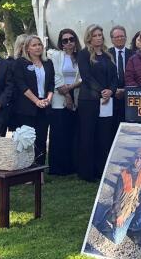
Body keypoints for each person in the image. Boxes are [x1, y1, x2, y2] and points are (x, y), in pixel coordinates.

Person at [77, 24, 118, 182]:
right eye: (95, 35)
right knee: (88, 135)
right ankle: (87, 172)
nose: (98, 37)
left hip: (107, 101)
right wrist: (102, 91)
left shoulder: (108, 55)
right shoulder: (84, 54)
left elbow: (115, 77)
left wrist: (111, 91)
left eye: (100, 34)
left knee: (104, 136)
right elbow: (86, 77)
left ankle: (102, 170)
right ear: (89, 37)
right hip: (89, 100)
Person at [13, 35, 55, 167]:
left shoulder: (48, 63)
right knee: (27, 139)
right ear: (27, 49)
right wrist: (36, 101)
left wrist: (48, 99)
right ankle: (25, 168)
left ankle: (39, 170)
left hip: (44, 105)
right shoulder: (21, 63)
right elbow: (21, 85)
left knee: (41, 139)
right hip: (27, 106)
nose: (38, 47)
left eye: (39, 44)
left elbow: (51, 84)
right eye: (34, 45)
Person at [47, 28, 81, 175]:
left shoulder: (81, 57)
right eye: (65, 40)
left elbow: (83, 76)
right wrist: (66, 94)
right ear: (60, 43)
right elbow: (54, 74)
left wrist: (72, 88)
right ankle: (57, 168)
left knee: (72, 132)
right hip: (59, 95)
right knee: (58, 132)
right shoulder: (56, 56)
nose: (68, 43)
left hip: (76, 93)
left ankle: (71, 166)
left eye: (71, 39)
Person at [109, 26, 129, 128]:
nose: (119, 38)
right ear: (112, 40)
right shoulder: (106, 55)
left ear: (126, 37)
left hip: (128, 97)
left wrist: (124, 90)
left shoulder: (133, 54)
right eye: (116, 37)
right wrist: (114, 90)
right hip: (111, 96)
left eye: (122, 36)